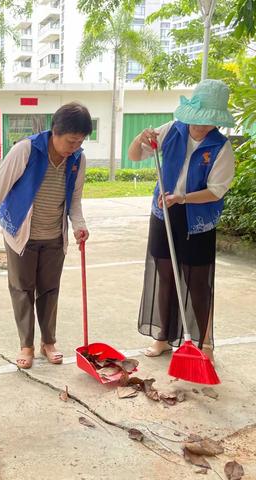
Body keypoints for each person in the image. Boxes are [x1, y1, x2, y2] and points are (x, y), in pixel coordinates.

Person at [0, 102, 92, 369]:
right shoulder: (26, 149)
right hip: (20, 233)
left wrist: (79, 225)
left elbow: (75, 200)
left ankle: (49, 342)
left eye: (80, 142)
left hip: (54, 235)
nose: (74, 147)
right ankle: (26, 344)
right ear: (55, 132)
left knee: (49, 289)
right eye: (71, 141)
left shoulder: (77, 160)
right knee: (22, 289)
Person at [128, 79, 236, 365]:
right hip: (164, 212)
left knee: (198, 282)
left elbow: (215, 191)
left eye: (208, 123)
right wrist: (140, 139)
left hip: (197, 218)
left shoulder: (221, 147)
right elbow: (136, 156)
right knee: (165, 275)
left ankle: (205, 343)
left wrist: (183, 197)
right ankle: (163, 337)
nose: (200, 128)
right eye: (197, 121)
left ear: (216, 122)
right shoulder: (171, 130)